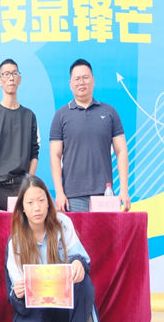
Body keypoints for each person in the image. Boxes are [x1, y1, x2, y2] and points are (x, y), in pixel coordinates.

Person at [4, 175, 100, 322]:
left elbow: (79, 255)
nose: (37, 208)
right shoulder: (16, 241)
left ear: (49, 202)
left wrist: (78, 263)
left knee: (84, 282)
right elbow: (15, 290)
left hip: (64, 302)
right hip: (34, 306)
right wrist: (19, 292)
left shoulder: (62, 223)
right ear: (22, 208)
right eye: (30, 203)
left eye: (41, 200)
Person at [49, 59, 130, 212]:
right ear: (70, 83)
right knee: (73, 230)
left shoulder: (109, 112)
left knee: (105, 230)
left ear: (93, 80)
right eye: (77, 79)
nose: (81, 82)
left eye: (85, 77)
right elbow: (55, 155)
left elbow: (121, 151)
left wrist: (124, 190)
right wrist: (59, 193)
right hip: (72, 197)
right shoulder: (61, 115)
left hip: (104, 195)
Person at [0, 59, 39, 210]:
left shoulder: (29, 116)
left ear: (19, 79)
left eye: (14, 73)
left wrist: (29, 185)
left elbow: (34, 152)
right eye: (6, 74)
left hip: (22, 188)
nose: (11, 78)